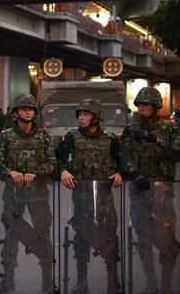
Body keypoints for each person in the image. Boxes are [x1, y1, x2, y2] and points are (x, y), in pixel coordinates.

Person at [57, 99, 123, 294]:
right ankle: (81, 281)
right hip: (81, 197)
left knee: (110, 238)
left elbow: (122, 162)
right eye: (79, 114)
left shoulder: (110, 139)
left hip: (105, 197)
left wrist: (120, 173)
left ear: (96, 117)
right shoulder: (71, 137)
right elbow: (58, 159)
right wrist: (63, 171)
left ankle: (113, 281)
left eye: (86, 114)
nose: (81, 118)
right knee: (82, 238)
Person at [0, 94, 56, 293]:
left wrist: (35, 174)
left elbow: (52, 163)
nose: (28, 111)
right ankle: (7, 281)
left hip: (38, 195)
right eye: (23, 109)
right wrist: (9, 172)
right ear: (16, 113)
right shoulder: (6, 136)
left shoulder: (43, 137)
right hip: (13, 194)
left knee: (43, 236)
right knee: (10, 237)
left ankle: (48, 283)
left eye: (31, 109)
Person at [121, 87, 180, 294]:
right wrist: (133, 173)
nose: (142, 108)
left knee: (167, 239)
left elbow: (176, 153)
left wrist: (154, 139)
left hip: (163, 191)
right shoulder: (131, 129)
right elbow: (124, 156)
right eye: (139, 105)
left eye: (146, 104)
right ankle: (151, 282)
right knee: (143, 237)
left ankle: (166, 284)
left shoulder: (169, 130)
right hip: (139, 191)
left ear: (156, 106)